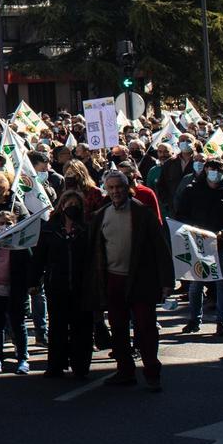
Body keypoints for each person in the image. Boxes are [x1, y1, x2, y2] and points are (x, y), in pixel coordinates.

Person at [87, 165, 174, 391]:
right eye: (111, 187)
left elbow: (161, 249)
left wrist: (166, 282)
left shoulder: (143, 213)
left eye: (119, 187)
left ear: (127, 188)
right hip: (113, 281)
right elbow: (95, 250)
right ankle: (125, 371)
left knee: (145, 328)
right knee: (118, 328)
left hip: (140, 280)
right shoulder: (101, 215)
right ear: (106, 190)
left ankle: (152, 372)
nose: (115, 191)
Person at [175, 155, 223, 339]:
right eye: (211, 170)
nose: (214, 174)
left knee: (222, 286)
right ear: (205, 171)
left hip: (221, 246)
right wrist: (193, 229)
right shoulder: (192, 191)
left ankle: (222, 321)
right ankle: (194, 320)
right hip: (198, 246)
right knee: (195, 286)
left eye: (218, 171)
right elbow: (180, 215)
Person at [35, 187, 95, 378]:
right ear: (61, 207)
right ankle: (55, 364)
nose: (73, 208)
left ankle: (81, 366)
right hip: (57, 285)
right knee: (57, 328)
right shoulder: (50, 230)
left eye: (76, 205)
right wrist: (33, 280)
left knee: (82, 328)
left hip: (81, 286)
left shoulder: (87, 229)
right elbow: (39, 257)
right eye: (69, 205)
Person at [0, 208, 34, 373]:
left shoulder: (21, 244)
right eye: (1, 223)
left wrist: (31, 284)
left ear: (16, 224)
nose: (5, 226)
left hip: (15, 291)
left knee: (18, 325)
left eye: (9, 223)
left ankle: (22, 358)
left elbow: (30, 265)